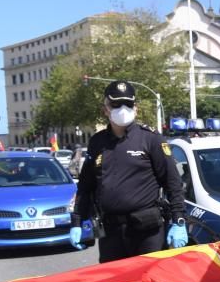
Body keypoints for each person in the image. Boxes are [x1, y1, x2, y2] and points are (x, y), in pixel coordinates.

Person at [70, 80, 187, 262]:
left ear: (136, 108)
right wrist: (77, 222)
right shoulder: (97, 142)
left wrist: (178, 220)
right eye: (116, 104)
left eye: (128, 103)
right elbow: (86, 186)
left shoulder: (151, 139)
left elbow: (173, 183)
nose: (122, 108)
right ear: (105, 109)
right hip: (111, 232)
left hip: (147, 232)